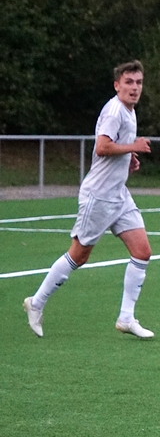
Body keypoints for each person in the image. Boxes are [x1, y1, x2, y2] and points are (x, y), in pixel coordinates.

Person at [23, 61, 153, 339]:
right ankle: (36, 303)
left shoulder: (129, 111)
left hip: (118, 194)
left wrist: (128, 158)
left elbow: (113, 148)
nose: (134, 88)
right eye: (129, 82)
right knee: (79, 255)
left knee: (142, 251)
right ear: (117, 85)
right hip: (99, 196)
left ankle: (126, 318)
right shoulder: (115, 111)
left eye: (139, 82)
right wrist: (133, 146)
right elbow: (102, 146)